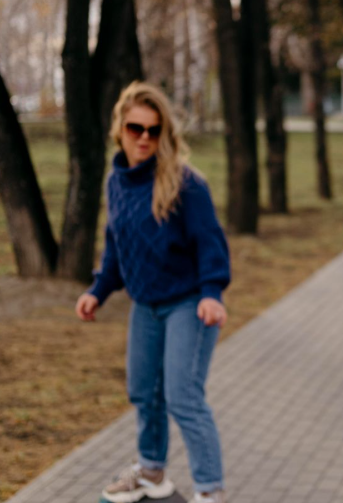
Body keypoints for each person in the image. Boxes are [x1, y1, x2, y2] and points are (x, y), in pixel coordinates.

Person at [75, 82, 231, 503]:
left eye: (154, 130)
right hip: (145, 304)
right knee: (144, 390)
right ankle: (150, 470)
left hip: (189, 303)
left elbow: (210, 243)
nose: (144, 138)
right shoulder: (117, 182)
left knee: (183, 396)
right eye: (135, 128)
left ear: (165, 135)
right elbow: (115, 246)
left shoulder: (185, 183)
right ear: (119, 129)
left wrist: (212, 292)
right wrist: (99, 290)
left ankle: (210, 491)